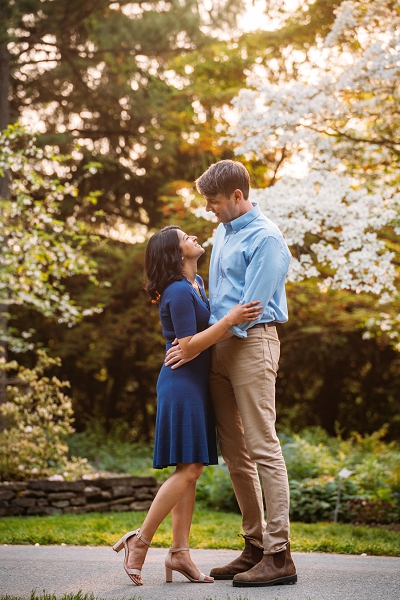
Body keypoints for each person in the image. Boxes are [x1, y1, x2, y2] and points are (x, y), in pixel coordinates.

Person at [165, 160, 297, 587]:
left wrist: (193, 345)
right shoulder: (223, 232)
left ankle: (280, 556)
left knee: (263, 447)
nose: (209, 210)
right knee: (236, 455)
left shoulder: (268, 240)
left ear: (237, 196)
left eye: (214, 202)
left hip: (252, 343)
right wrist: (204, 344)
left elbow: (246, 313)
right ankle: (255, 545)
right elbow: (220, 301)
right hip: (218, 349)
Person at [112, 224, 262, 586]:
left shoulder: (195, 285)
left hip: (195, 384)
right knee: (190, 469)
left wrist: (229, 324)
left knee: (188, 472)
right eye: (185, 238)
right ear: (176, 254)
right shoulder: (178, 291)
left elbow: (201, 340)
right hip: (181, 386)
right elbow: (189, 343)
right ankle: (141, 540)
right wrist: (229, 320)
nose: (193, 237)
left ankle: (180, 553)